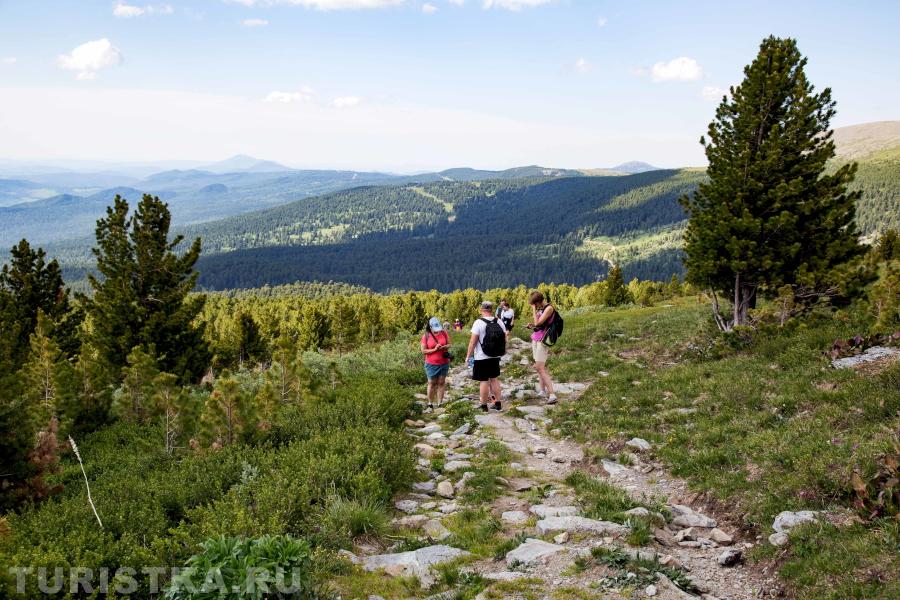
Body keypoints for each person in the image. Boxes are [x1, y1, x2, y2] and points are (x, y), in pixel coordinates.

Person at [464, 301, 507, 412]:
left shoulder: (478, 322)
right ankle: (498, 403)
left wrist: (468, 356)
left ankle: (483, 405)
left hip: (481, 356)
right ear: (491, 310)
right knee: (494, 379)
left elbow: (472, 342)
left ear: (481, 309)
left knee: (484, 381)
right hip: (495, 355)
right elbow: (505, 337)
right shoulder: (499, 321)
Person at [526, 291, 557, 405]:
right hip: (536, 338)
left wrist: (534, 310)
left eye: (535, 304)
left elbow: (538, 323)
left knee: (540, 368)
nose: (535, 306)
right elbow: (538, 325)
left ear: (539, 301)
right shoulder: (541, 309)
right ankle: (542, 390)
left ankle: (552, 394)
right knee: (540, 367)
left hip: (543, 341)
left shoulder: (549, 308)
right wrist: (532, 326)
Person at [421, 316, 451, 410]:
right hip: (431, 364)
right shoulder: (426, 336)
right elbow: (423, 351)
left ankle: (440, 403)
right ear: (430, 327)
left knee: (441, 382)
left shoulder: (444, 333)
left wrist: (444, 347)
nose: (437, 331)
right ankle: (430, 402)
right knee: (431, 383)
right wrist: (434, 349)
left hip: (444, 362)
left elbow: (450, 344)